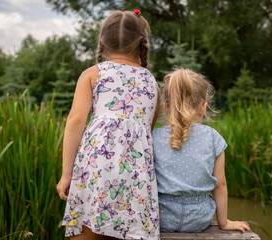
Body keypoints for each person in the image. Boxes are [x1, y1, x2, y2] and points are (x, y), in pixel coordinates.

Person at [56, 9, 161, 240]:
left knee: (87, 231)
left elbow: (75, 122)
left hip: (96, 167)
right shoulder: (151, 81)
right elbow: (147, 130)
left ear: (102, 46)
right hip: (136, 174)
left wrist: (66, 175)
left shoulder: (93, 73)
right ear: (141, 46)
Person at [152, 69, 251, 233]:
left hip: (162, 217)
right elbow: (220, 185)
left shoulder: (154, 138)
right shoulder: (213, 138)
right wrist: (224, 222)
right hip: (198, 219)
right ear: (203, 107)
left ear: (166, 108)